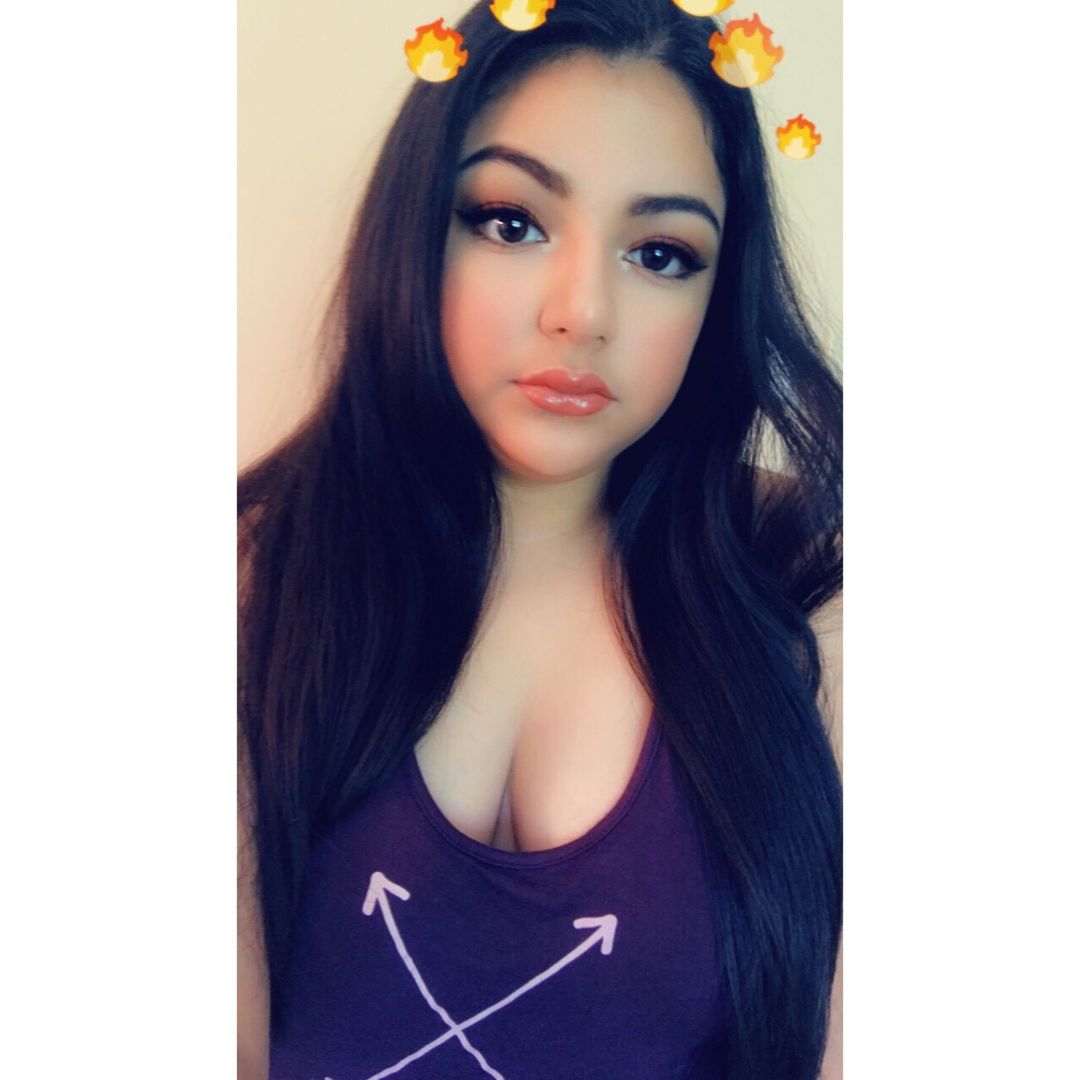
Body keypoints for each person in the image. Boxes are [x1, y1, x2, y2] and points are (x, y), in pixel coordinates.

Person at [238, 1, 842, 1077]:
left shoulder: (807, 586)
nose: (582, 312)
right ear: (416, 226)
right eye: (511, 221)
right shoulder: (251, 582)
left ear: (720, 294)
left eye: (661, 252)